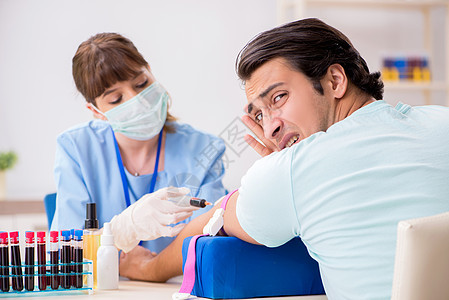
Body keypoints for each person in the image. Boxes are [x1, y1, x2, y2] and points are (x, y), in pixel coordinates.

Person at [118, 18, 449, 299]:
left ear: (335, 81)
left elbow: (214, 218)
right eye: (259, 115)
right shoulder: (442, 122)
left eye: (279, 97)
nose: (271, 125)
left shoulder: (292, 170)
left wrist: (147, 267)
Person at [51, 33, 226, 255]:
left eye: (142, 83)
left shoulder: (204, 149)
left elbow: (206, 247)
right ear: (95, 111)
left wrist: (143, 269)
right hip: (104, 288)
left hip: (178, 287)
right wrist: (124, 229)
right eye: (115, 99)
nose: (136, 100)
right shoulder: (76, 148)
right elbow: (67, 252)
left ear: (150, 72)